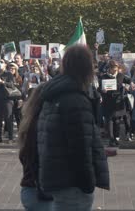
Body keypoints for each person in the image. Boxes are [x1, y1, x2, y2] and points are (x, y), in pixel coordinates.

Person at [37, 45, 109, 211]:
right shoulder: (75, 100)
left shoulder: (53, 94)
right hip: (72, 182)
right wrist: (88, 183)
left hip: (56, 176)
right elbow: (80, 147)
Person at [18, 84, 53, 211]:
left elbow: (23, 156)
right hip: (39, 191)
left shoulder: (30, 121)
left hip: (30, 188)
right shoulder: (41, 124)